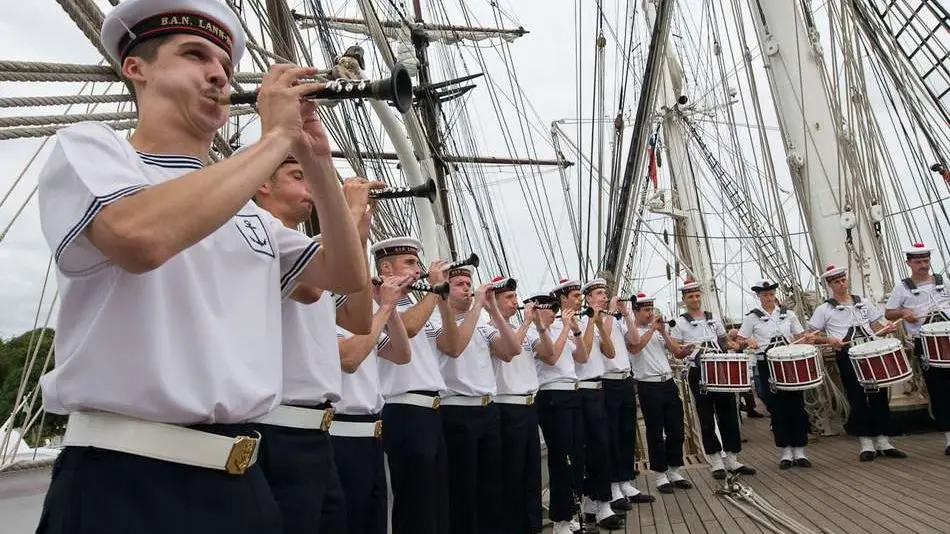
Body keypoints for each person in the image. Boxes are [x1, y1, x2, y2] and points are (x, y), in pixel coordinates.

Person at [33, 0, 367, 532]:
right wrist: (275, 139)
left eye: (226, 66)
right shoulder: (91, 150)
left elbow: (345, 279)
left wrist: (317, 162)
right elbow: (140, 238)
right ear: (135, 68)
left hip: (242, 482)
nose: (217, 74)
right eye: (194, 55)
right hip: (124, 484)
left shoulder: (249, 216)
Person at [370, 237, 452, 534]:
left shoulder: (420, 302)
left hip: (431, 409)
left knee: (436, 499)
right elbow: (407, 327)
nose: (417, 270)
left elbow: (451, 346)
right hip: (403, 408)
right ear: (386, 267)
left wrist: (441, 301)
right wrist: (435, 291)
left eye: (417, 263)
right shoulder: (375, 300)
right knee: (414, 502)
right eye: (410, 263)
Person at [429, 267, 521, 534]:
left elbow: (511, 350)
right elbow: (454, 346)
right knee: (462, 489)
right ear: (445, 288)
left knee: (491, 485)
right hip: (456, 410)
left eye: (469, 283)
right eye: (459, 284)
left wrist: (492, 311)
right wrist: (477, 307)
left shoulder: (481, 322)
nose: (467, 288)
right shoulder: (436, 318)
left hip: (487, 409)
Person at [334, 275, 413, 534]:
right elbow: (350, 358)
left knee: (375, 519)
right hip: (342, 435)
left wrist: (388, 310)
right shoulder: (325, 321)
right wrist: (386, 307)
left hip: (371, 436)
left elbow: (402, 354)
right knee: (352, 520)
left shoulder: (365, 326)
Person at [809, 265, 906, 461]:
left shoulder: (863, 302)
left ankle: (884, 441)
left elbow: (875, 326)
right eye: (836, 281)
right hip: (847, 355)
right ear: (829, 285)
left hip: (871, 352)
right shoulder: (824, 309)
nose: (841, 284)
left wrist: (886, 329)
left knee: (879, 396)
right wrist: (829, 340)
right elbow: (810, 336)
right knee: (857, 396)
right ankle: (866, 444)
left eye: (843, 280)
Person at [670, 279, 756, 479]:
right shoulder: (680, 323)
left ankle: (732, 459)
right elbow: (677, 352)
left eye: (697, 295)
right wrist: (686, 350)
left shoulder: (713, 318)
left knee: (729, 413)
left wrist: (741, 344)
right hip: (698, 371)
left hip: (720, 368)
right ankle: (716, 460)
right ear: (684, 300)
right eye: (690, 296)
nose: (695, 299)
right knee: (706, 416)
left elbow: (724, 342)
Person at [557, 279, 624, 531]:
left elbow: (610, 352)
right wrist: (587, 324)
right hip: (580, 390)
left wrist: (598, 324)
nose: (604, 299)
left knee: (601, 447)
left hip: (598, 389)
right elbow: (583, 355)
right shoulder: (567, 323)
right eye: (599, 294)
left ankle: (599, 502)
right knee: (584, 451)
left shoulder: (592, 321)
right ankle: (594, 502)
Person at [585, 280, 654, 507]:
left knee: (627, 433)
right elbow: (601, 335)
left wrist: (626, 316)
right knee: (611, 435)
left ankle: (626, 481)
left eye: (605, 293)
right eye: (599, 293)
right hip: (607, 382)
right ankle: (613, 485)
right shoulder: (591, 320)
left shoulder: (615, 320)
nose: (604, 297)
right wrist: (611, 312)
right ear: (589, 299)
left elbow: (635, 342)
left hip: (625, 380)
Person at [487, 277, 544, 534]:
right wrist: (527, 322)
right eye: (508, 298)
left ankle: (532, 526)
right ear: (494, 302)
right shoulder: (488, 329)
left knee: (531, 473)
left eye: (515, 297)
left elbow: (551, 355)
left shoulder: (527, 330)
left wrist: (541, 325)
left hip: (529, 406)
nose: (515, 302)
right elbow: (510, 350)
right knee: (511, 473)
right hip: (507, 407)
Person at [737, 281, 814, 468]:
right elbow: (740, 340)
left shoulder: (788, 314)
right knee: (778, 409)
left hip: (789, 363)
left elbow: (800, 336)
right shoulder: (752, 318)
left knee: (797, 406)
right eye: (765, 295)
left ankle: (800, 451)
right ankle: (786, 452)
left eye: (771, 294)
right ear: (759, 297)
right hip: (768, 364)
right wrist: (749, 342)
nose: (769, 298)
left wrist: (806, 339)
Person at [885, 243, 950, 455]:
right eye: (919, 262)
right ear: (909, 263)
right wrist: (904, 312)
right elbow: (889, 313)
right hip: (927, 342)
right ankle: (949, 438)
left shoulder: (943, 282)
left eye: (926, 261)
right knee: (938, 390)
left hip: (948, 335)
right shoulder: (902, 288)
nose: (924, 265)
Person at [529, 292, 584, 534]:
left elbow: (581, 356)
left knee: (575, 454)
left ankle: (570, 511)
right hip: (552, 396)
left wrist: (576, 331)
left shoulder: (558, 330)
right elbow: (551, 357)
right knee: (561, 457)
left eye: (555, 307)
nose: (554, 310)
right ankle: (560, 520)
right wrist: (564, 329)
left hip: (572, 393)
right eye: (549, 307)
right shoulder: (533, 333)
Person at [625, 293, 692, 493]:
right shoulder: (631, 331)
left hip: (668, 382)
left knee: (676, 428)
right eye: (645, 310)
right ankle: (660, 474)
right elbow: (635, 348)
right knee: (655, 431)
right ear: (636, 311)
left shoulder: (657, 330)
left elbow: (677, 352)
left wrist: (663, 332)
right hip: (648, 385)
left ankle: (674, 469)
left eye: (651, 310)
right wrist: (652, 329)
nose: (649, 314)